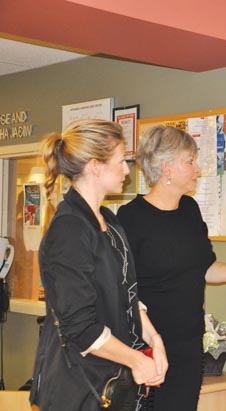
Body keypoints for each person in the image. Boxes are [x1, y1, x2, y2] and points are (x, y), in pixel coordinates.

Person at [117, 125, 226, 411]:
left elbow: (204, 269)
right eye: (189, 161)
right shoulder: (130, 219)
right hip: (147, 346)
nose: (197, 169)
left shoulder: (190, 210)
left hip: (188, 345)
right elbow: (122, 291)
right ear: (166, 169)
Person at [30, 119, 168, 411]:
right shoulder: (69, 229)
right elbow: (80, 326)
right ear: (95, 165)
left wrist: (154, 339)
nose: (127, 170)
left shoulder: (109, 221)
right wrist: (136, 360)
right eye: (120, 161)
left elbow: (124, 294)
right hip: (78, 391)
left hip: (113, 385)